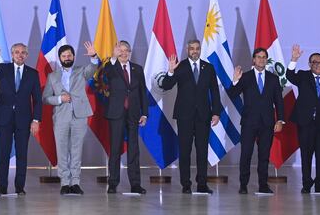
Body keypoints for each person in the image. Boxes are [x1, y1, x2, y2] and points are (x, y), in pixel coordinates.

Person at [160, 39, 221, 194]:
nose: (194, 51)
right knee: (185, 151)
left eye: (197, 48)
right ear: (187, 50)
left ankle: (202, 184)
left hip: (203, 116)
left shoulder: (208, 68)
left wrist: (216, 112)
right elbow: (166, 85)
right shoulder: (180, 66)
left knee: (202, 151)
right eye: (191, 48)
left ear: (200, 50)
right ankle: (185, 185)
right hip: (184, 116)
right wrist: (171, 71)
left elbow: (214, 91)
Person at [0, 43, 42, 196]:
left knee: (22, 154)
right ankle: (3, 187)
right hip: (4, 118)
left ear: (27, 55)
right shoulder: (3, 68)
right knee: (4, 153)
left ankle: (19, 187)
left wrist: (36, 120)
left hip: (24, 119)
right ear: (12, 54)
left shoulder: (33, 73)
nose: (20, 55)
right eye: (16, 52)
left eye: (23, 52)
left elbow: (37, 99)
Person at [41, 42, 98, 195]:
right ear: (60, 58)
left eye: (69, 55)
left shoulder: (81, 71)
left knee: (76, 150)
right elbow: (45, 98)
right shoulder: (52, 76)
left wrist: (93, 56)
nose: (67, 58)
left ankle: (76, 182)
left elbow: (93, 68)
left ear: (73, 57)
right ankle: (65, 183)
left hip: (80, 116)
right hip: (60, 118)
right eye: (64, 56)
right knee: (62, 150)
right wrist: (59, 99)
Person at [227, 48, 284, 194]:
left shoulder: (273, 78)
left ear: (266, 59)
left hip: (267, 123)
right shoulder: (245, 77)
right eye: (258, 57)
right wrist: (234, 80)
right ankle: (243, 185)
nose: (261, 60)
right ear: (253, 59)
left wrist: (280, 120)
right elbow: (232, 94)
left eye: (264, 57)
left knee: (264, 155)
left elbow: (279, 101)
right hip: (248, 123)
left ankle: (263, 185)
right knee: (246, 154)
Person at [287, 44, 320, 194]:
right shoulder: (303, 76)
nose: (318, 65)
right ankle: (306, 183)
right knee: (306, 154)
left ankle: (319, 183)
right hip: (305, 123)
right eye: (315, 62)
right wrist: (294, 59)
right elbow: (289, 76)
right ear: (310, 64)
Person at [101, 41, 149, 194]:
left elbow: (143, 92)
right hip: (116, 113)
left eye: (126, 50)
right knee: (115, 148)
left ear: (130, 52)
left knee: (134, 149)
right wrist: (113, 58)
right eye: (120, 50)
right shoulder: (111, 68)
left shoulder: (137, 69)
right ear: (116, 52)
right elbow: (105, 76)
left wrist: (144, 113)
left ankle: (135, 184)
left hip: (134, 114)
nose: (123, 53)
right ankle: (113, 183)